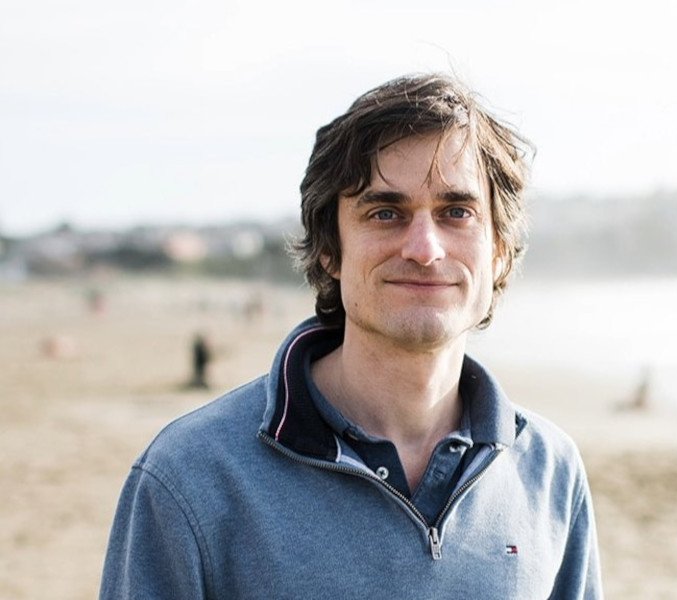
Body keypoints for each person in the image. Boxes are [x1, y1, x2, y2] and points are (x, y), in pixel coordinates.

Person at [100, 73, 603, 599]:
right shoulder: (190, 477)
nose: (424, 248)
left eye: (457, 212)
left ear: (498, 249)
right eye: (386, 212)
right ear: (329, 249)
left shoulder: (549, 470)